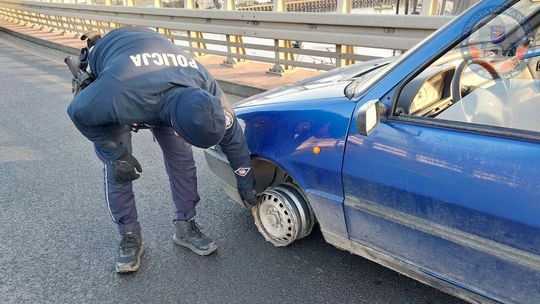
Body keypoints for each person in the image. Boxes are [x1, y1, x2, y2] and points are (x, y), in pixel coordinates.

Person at [67, 27, 258, 273]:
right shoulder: (118, 93)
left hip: (164, 88)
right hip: (123, 72)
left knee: (183, 161)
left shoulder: (207, 89)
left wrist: (247, 184)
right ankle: (129, 236)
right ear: (178, 127)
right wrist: (115, 154)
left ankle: (186, 225)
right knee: (120, 170)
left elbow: (234, 140)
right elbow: (78, 113)